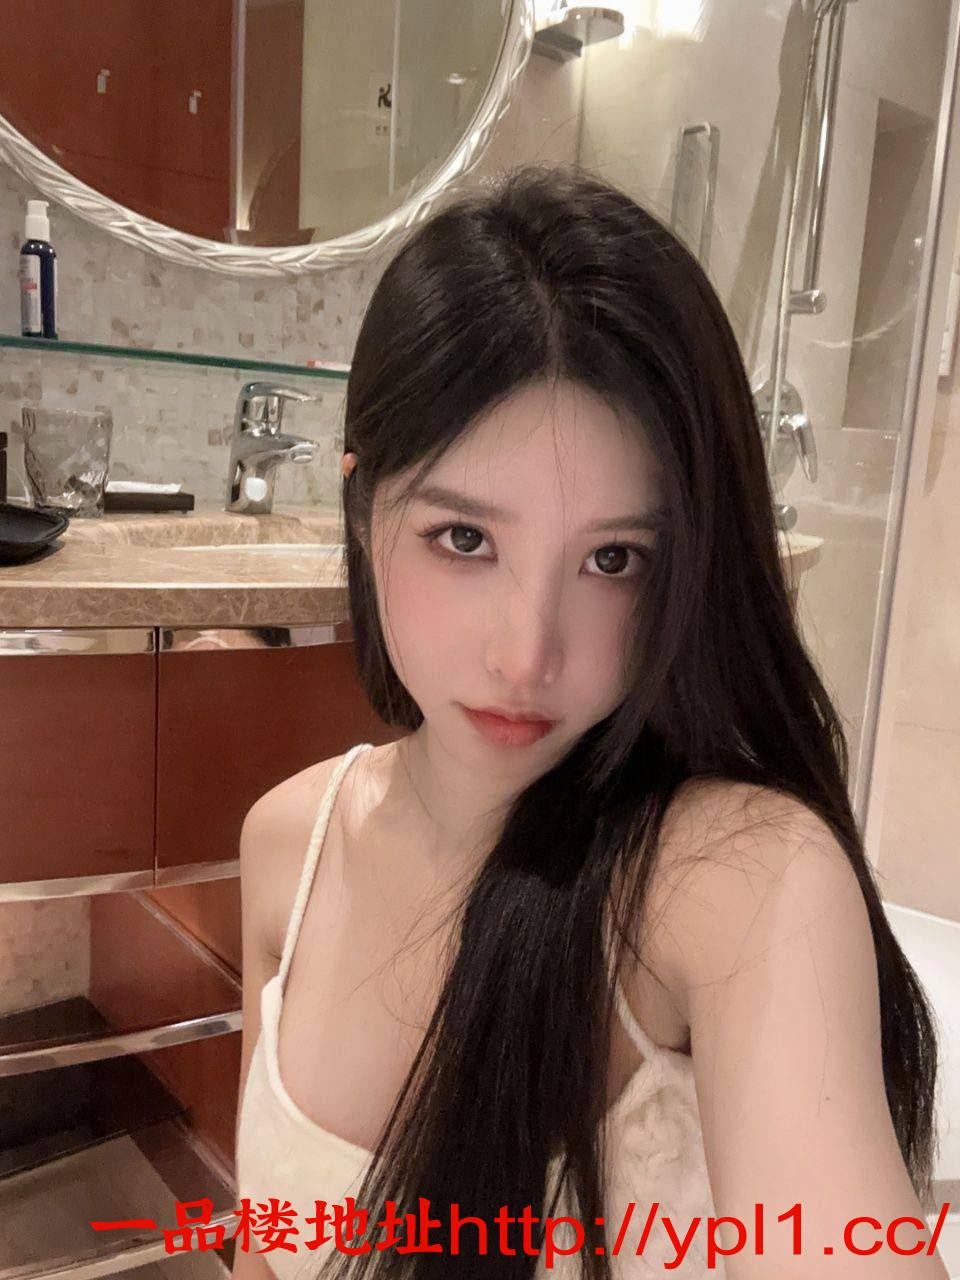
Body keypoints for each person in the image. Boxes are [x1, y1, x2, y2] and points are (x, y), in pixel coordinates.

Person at [232, 164, 945, 1280]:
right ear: (363, 506)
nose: (529, 654)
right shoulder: (288, 847)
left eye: (613, 559)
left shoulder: (732, 883)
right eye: (465, 539)